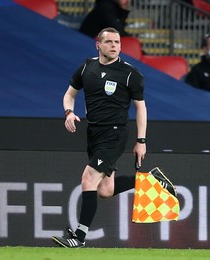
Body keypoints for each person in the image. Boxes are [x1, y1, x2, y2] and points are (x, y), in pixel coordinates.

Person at [51, 27, 174, 248]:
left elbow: (141, 109)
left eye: (117, 42)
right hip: (94, 133)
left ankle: (79, 237)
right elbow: (69, 94)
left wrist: (141, 140)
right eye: (109, 42)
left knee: (88, 179)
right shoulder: (87, 67)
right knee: (106, 191)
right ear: (98, 45)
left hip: (115, 133)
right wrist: (69, 112)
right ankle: (150, 180)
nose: (115, 46)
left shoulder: (130, 73)